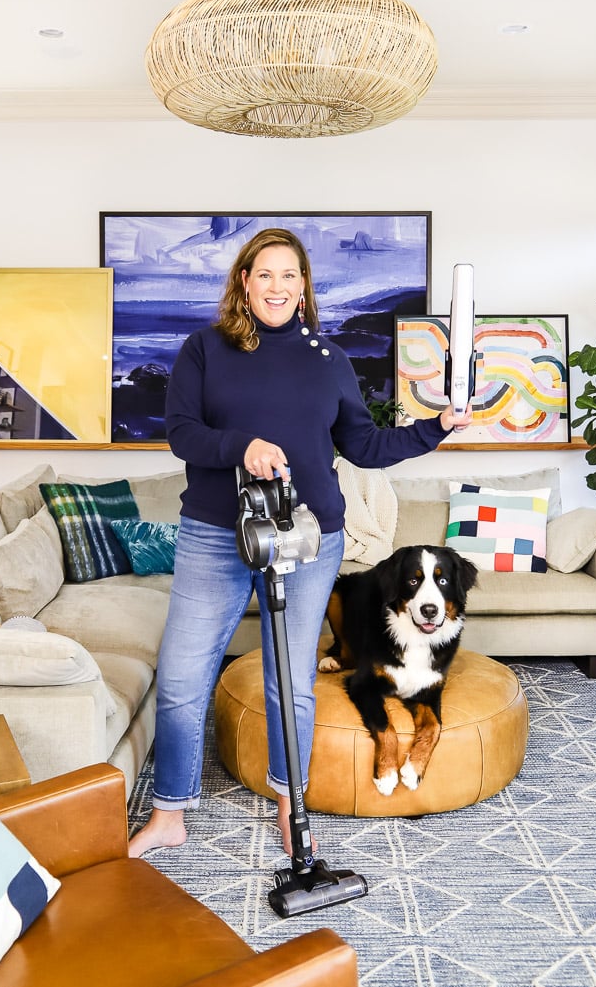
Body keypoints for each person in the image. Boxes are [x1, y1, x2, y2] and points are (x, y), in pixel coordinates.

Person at [129, 227, 472, 858]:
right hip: (214, 531)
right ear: (244, 281)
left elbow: (364, 446)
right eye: (265, 275)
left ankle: (293, 804)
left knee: (291, 680)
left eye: (290, 276)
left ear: (305, 286)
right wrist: (242, 447)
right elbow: (181, 433)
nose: (277, 287)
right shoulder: (203, 349)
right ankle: (169, 813)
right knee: (180, 675)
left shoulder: (329, 360)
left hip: (310, 537)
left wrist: (436, 428)